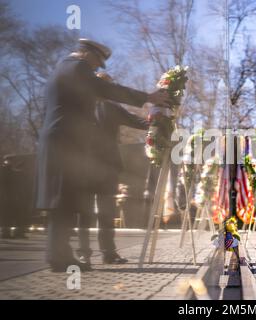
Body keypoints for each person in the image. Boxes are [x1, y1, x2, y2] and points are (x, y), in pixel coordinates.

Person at [36, 38, 172, 272]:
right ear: (87, 54)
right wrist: (148, 97)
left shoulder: (63, 68)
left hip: (61, 141)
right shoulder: (76, 68)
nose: (97, 68)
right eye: (97, 63)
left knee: (64, 199)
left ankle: (58, 255)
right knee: (63, 199)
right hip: (64, 142)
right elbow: (107, 89)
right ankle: (59, 256)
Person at [76, 72, 151, 265]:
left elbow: (139, 121)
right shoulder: (91, 106)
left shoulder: (104, 106)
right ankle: (97, 252)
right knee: (95, 211)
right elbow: (139, 122)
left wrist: (160, 118)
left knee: (100, 211)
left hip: (98, 166)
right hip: (95, 165)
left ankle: (97, 252)